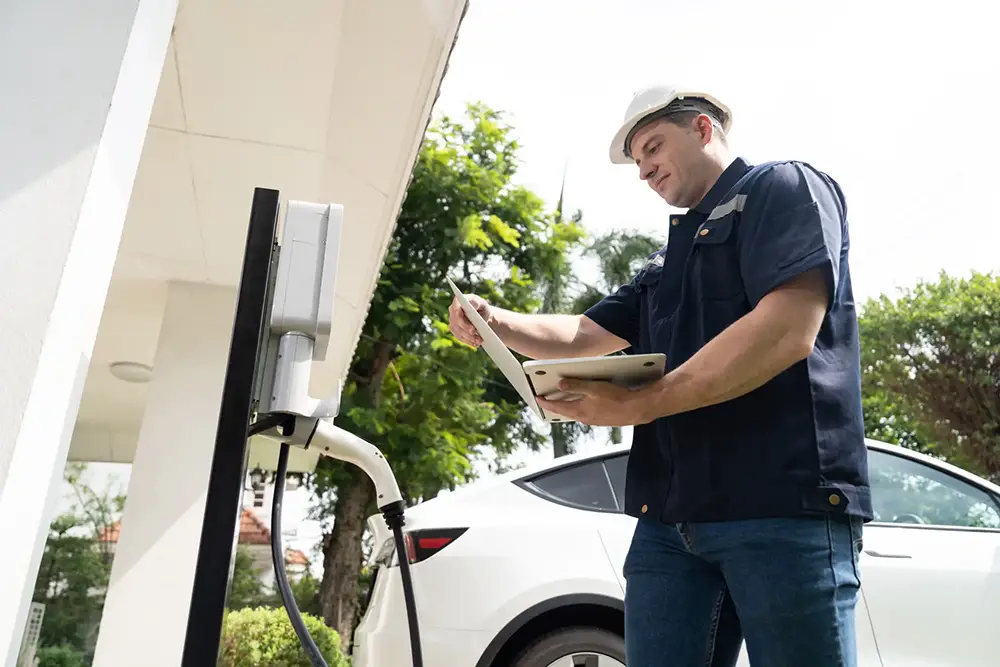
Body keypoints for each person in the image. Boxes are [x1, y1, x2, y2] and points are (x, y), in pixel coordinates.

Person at [448, 84, 871, 667]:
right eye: (637, 161)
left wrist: (644, 404)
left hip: (780, 506)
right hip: (671, 526)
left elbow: (787, 329)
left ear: (703, 129)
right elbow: (584, 334)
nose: (644, 170)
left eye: (652, 147)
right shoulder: (667, 258)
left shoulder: (784, 188)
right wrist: (493, 320)